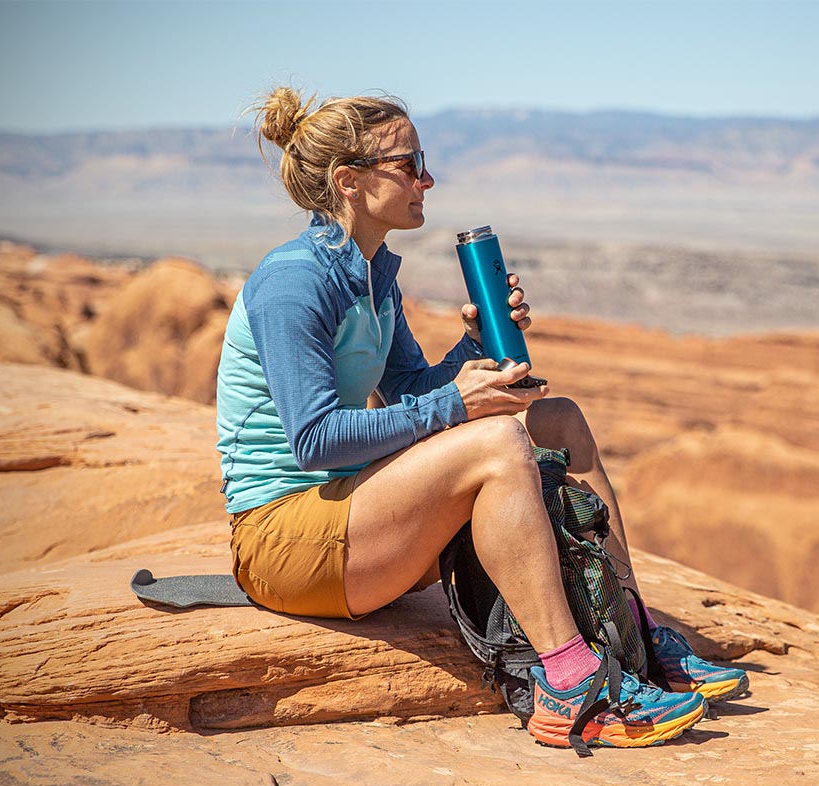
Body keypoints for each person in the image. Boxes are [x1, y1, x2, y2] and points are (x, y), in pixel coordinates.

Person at [215, 87, 748, 751]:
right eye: (409, 165)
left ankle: (631, 638)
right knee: (495, 442)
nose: (426, 180)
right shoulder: (295, 282)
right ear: (349, 182)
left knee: (558, 422)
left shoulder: (372, 273)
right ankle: (569, 682)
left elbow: (410, 386)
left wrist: (473, 351)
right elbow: (316, 438)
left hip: (351, 516)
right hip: (284, 539)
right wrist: (456, 405)